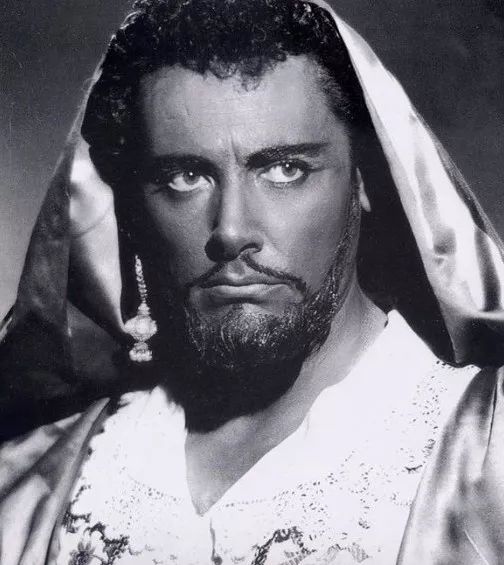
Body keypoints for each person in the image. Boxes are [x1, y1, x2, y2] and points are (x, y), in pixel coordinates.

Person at [1, 0, 504, 563]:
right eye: (185, 176)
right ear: (132, 209)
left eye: (285, 169)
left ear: (366, 176)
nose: (232, 231)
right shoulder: (30, 488)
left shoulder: (489, 449)